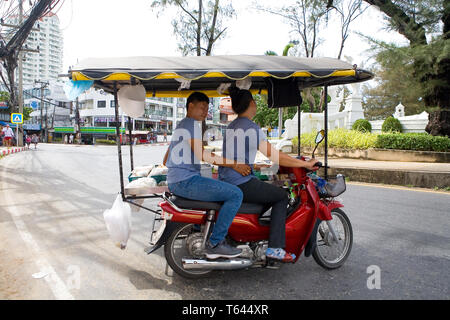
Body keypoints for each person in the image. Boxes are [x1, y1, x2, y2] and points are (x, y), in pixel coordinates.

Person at [219, 88, 319, 263]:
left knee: (268, 189)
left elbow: (236, 153)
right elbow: (275, 156)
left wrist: (254, 164)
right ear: (252, 104)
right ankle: (275, 247)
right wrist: (305, 164)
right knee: (281, 196)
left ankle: (259, 234)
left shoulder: (232, 125)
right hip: (240, 182)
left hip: (229, 178)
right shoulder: (250, 127)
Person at [163, 92, 252, 259]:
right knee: (235, 194)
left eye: (207, 108)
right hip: (185, 181)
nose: (205, 112)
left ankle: (202, 230)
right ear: (190, 106)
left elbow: (165, 159)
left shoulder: (182, 125)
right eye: (202, 107)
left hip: (178, 180)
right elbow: (203, 155)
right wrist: (235, 164)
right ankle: (216, 243)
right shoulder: (191, 124)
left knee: (220, 191)